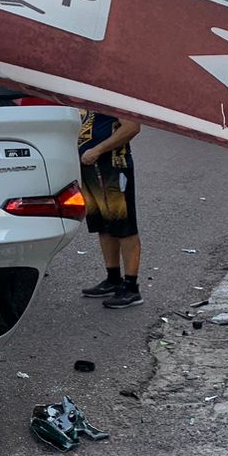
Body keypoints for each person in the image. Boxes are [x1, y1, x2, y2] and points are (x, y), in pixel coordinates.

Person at [76, 110, 143, 308]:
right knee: (103, 225)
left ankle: (131, 288)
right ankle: (113, 278)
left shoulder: (114, 95)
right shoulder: (90, 95)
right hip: (92, 168)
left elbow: (132, 127)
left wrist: (98, 149)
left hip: (113, 165)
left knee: (124, 226)